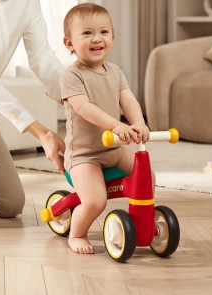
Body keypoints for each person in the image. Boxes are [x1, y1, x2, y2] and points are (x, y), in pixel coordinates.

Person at [60, 3, 155, 254]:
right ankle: (77, 234)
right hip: (84, 155)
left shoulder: (115, 71)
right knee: (95, 200)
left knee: (147, 175)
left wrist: (138, 123)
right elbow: (84, 108)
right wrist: (115, 124)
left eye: (104, 32)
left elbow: (128, 99)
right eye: (87, 33)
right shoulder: (72, 76)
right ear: (69, 43)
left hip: (112, 149)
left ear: (112, 37)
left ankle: (141, 220)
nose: (97, 39)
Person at [0, 0, 66, 225]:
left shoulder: (25, 2)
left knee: (11, 204)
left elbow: (42, 58)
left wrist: (79, 102)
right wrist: (41, 132)